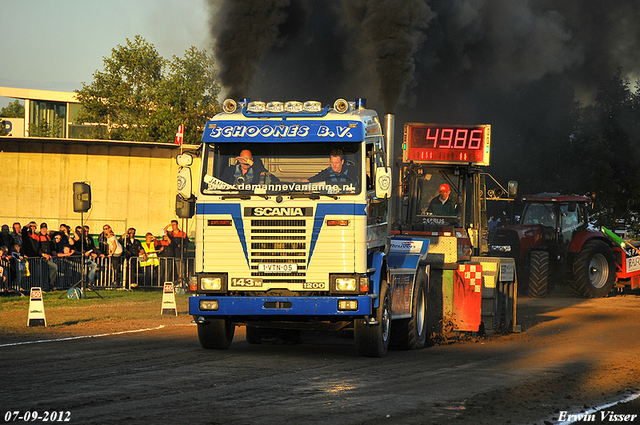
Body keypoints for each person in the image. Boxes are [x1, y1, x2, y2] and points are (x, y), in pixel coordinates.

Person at [35, 223, 58, 291]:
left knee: (51, 270)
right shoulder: (38, 236)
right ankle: (45, 286)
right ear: (40, 229)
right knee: (50, 269)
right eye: (43, 229)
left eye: (45, 229)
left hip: (48, 257)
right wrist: (43, 254)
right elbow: (37, 248)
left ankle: (49, 285)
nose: (44, 230)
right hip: (42, 258)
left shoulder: (48, 237)